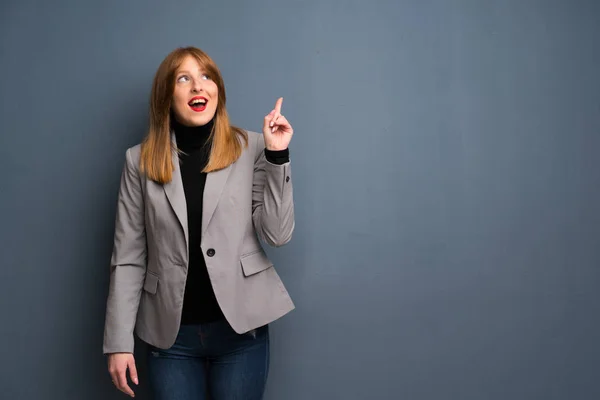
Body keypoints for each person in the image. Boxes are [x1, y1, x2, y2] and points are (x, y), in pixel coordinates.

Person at [103, 46, 296, 400]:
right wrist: (118, 341)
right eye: (184, 78)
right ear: (166, 95)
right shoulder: (139, 161)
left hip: (241, 333)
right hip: (170, 337)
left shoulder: (253, 147)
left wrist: (277, 156)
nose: (198, 86)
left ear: (217, 90)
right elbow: (128, 257)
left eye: (206, 76)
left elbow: (277, 234)